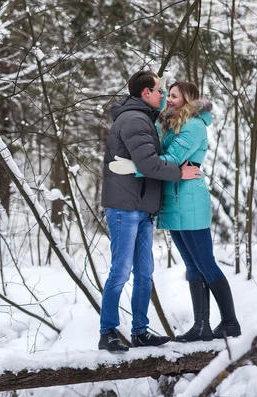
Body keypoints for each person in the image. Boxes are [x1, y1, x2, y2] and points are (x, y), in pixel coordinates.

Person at [109, 81, 241, 342]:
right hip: (174, 198)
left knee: (206, 263)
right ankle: (201, 326)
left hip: (189, 200)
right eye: (167, 95)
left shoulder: (193, 126)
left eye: (174, 96)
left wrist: (135, 167)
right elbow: (155, 151)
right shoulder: (170, 123)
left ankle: (230, 322)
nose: (168, 99)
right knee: (192, 265)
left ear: (188, 100)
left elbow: (169, 159)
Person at [99, 71, 201, 352]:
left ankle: (140, 331)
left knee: (144, 273)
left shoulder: (144, 119)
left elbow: (145, 164)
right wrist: (181, 173)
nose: (164, 95)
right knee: (120, 272)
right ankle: (107, 331)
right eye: (159, 90)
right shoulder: (134, 120)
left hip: (141, 207)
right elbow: (149, 164)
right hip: (124, 207)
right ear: (146, 93)